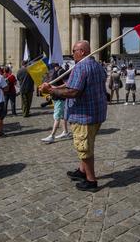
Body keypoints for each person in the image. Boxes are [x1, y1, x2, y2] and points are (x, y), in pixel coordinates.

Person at [40, 40, 107, 192]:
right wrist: (55, 86)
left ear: (82, 51)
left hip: (83, 115)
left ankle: (91, 181)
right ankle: (82, 171)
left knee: (84, 148)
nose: (72, 53)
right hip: (96, 113)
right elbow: (72, 83)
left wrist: (50, 91)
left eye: (74, 50)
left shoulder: (81, 67)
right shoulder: (97, 66)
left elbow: (73, 91)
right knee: (86, 144)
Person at [41, 63, 71, 143]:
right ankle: (65, 132)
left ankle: (52, 136)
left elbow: (67, 83)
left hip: (60, 97)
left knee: (57, 116)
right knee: (61, 116)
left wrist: (57, 88)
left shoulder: (61, 71)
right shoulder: (52, 71)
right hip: (55, 96)